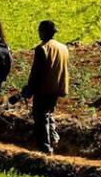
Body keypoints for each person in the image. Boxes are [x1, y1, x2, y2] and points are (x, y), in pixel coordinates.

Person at [10, 20, 69, 154]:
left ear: (43, 32)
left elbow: (36, 72)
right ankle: (53, 138)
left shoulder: (42, 48)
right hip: (57, 88)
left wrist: (29, 90)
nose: (39, 33)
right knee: (48, 113)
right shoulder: (63, 48)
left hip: (44, 88)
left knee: (40, 117)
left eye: (40, 30)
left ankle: (45, 148)